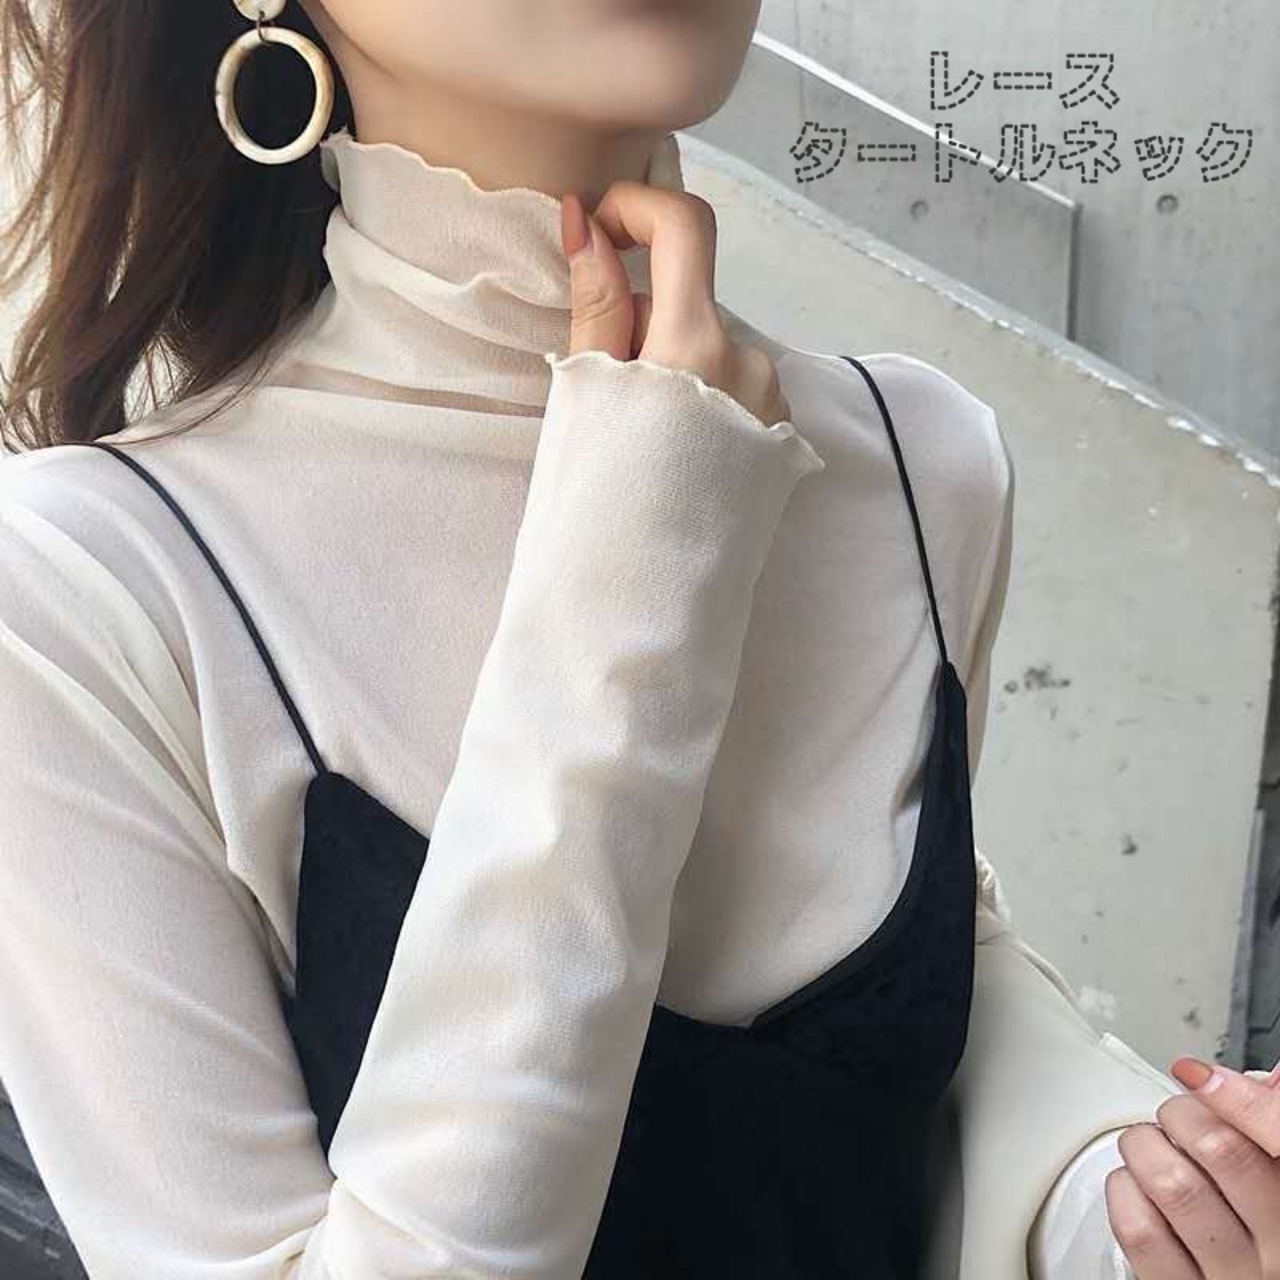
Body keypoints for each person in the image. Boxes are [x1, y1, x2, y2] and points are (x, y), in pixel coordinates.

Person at [0, 0, 1237, 1276]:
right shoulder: (76, 587)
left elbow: (908, 1031)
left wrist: (1149, 1200)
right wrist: (641, 542)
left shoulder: (921, 464)